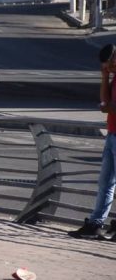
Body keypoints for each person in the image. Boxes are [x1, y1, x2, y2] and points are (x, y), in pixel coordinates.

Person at [69, 44, 116, 239]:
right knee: (105, 183)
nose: (108, 69)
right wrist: (105, 78)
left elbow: (109, 106)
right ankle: (96, 223)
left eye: (109, 66)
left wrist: (107, 107)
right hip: (112, 134)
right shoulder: (114, 78)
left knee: (108, 182)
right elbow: (105, 101)